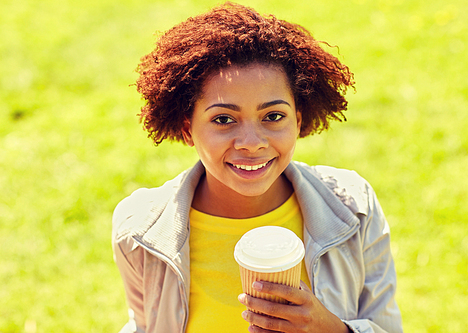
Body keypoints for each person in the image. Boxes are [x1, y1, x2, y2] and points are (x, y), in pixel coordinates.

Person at [112, 2, 403, 333]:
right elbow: (144, 325)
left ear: (298, 119)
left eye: (273, 116)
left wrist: (330, 328)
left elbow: (387, 325)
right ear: (186, 128)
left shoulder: (353, 207)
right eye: (223, 119)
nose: (251, 142)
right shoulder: (140, 230)